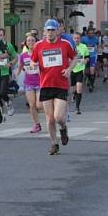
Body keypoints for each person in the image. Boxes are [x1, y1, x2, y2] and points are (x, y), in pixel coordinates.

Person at [32, 19, 76, 155]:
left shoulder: (65, 44)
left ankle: (63, 128)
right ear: (44, 31)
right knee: (49, 118)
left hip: (61, 84)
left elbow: (75, 57)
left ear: (57, 31)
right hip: (45, 84)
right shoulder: (38, 45)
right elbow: (33, 61)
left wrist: (69, 69)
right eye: (48, 30)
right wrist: (34, 65)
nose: (50, 33)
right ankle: (54, 143)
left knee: (58, 117)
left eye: (52, 30)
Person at [16, 33, 41, 133]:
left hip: (39, 82)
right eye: (28, 40)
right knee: (32, 105)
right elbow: (21, 66)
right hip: (29, 83)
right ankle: (36, 124)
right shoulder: (23, 55)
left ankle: (50, 116)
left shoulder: (39, 53)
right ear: (26, 43)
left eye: (32, 40)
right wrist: (17, 74)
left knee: (39, 105)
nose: (30, 42)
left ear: (36, 42)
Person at [0, 27, 17, 116]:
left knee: (2, 92)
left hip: (5, 72)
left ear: (4, 36)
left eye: (1, 35)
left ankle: (8, 103)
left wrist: (10, 63)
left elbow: (16, 58)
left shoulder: (8, 46)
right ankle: (0, 110)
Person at [70, 32, 90, 115]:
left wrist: (85, 61)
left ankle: (77, 107)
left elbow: (87, 57)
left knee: (79, 88)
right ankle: (74, 95)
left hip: (80, 70)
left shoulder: (84, 47)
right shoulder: (69, 47)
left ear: (80, 39)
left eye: (78, 38)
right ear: (72, 39)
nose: (76, 40)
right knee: (72, 89)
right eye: (75, 38)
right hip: (71, 70)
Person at [81, 28, 99, 92]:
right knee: (86, 72)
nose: (91, 34)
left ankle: (91, 85)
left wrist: (98, 49)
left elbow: (98, 45)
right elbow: (81, 46)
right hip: (86, 56)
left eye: (92, 33)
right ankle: (89, 80)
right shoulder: (83, 39)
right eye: (90, 33)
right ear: (87, 33)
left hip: (93, 56)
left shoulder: (96, 38)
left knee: (92, 71)